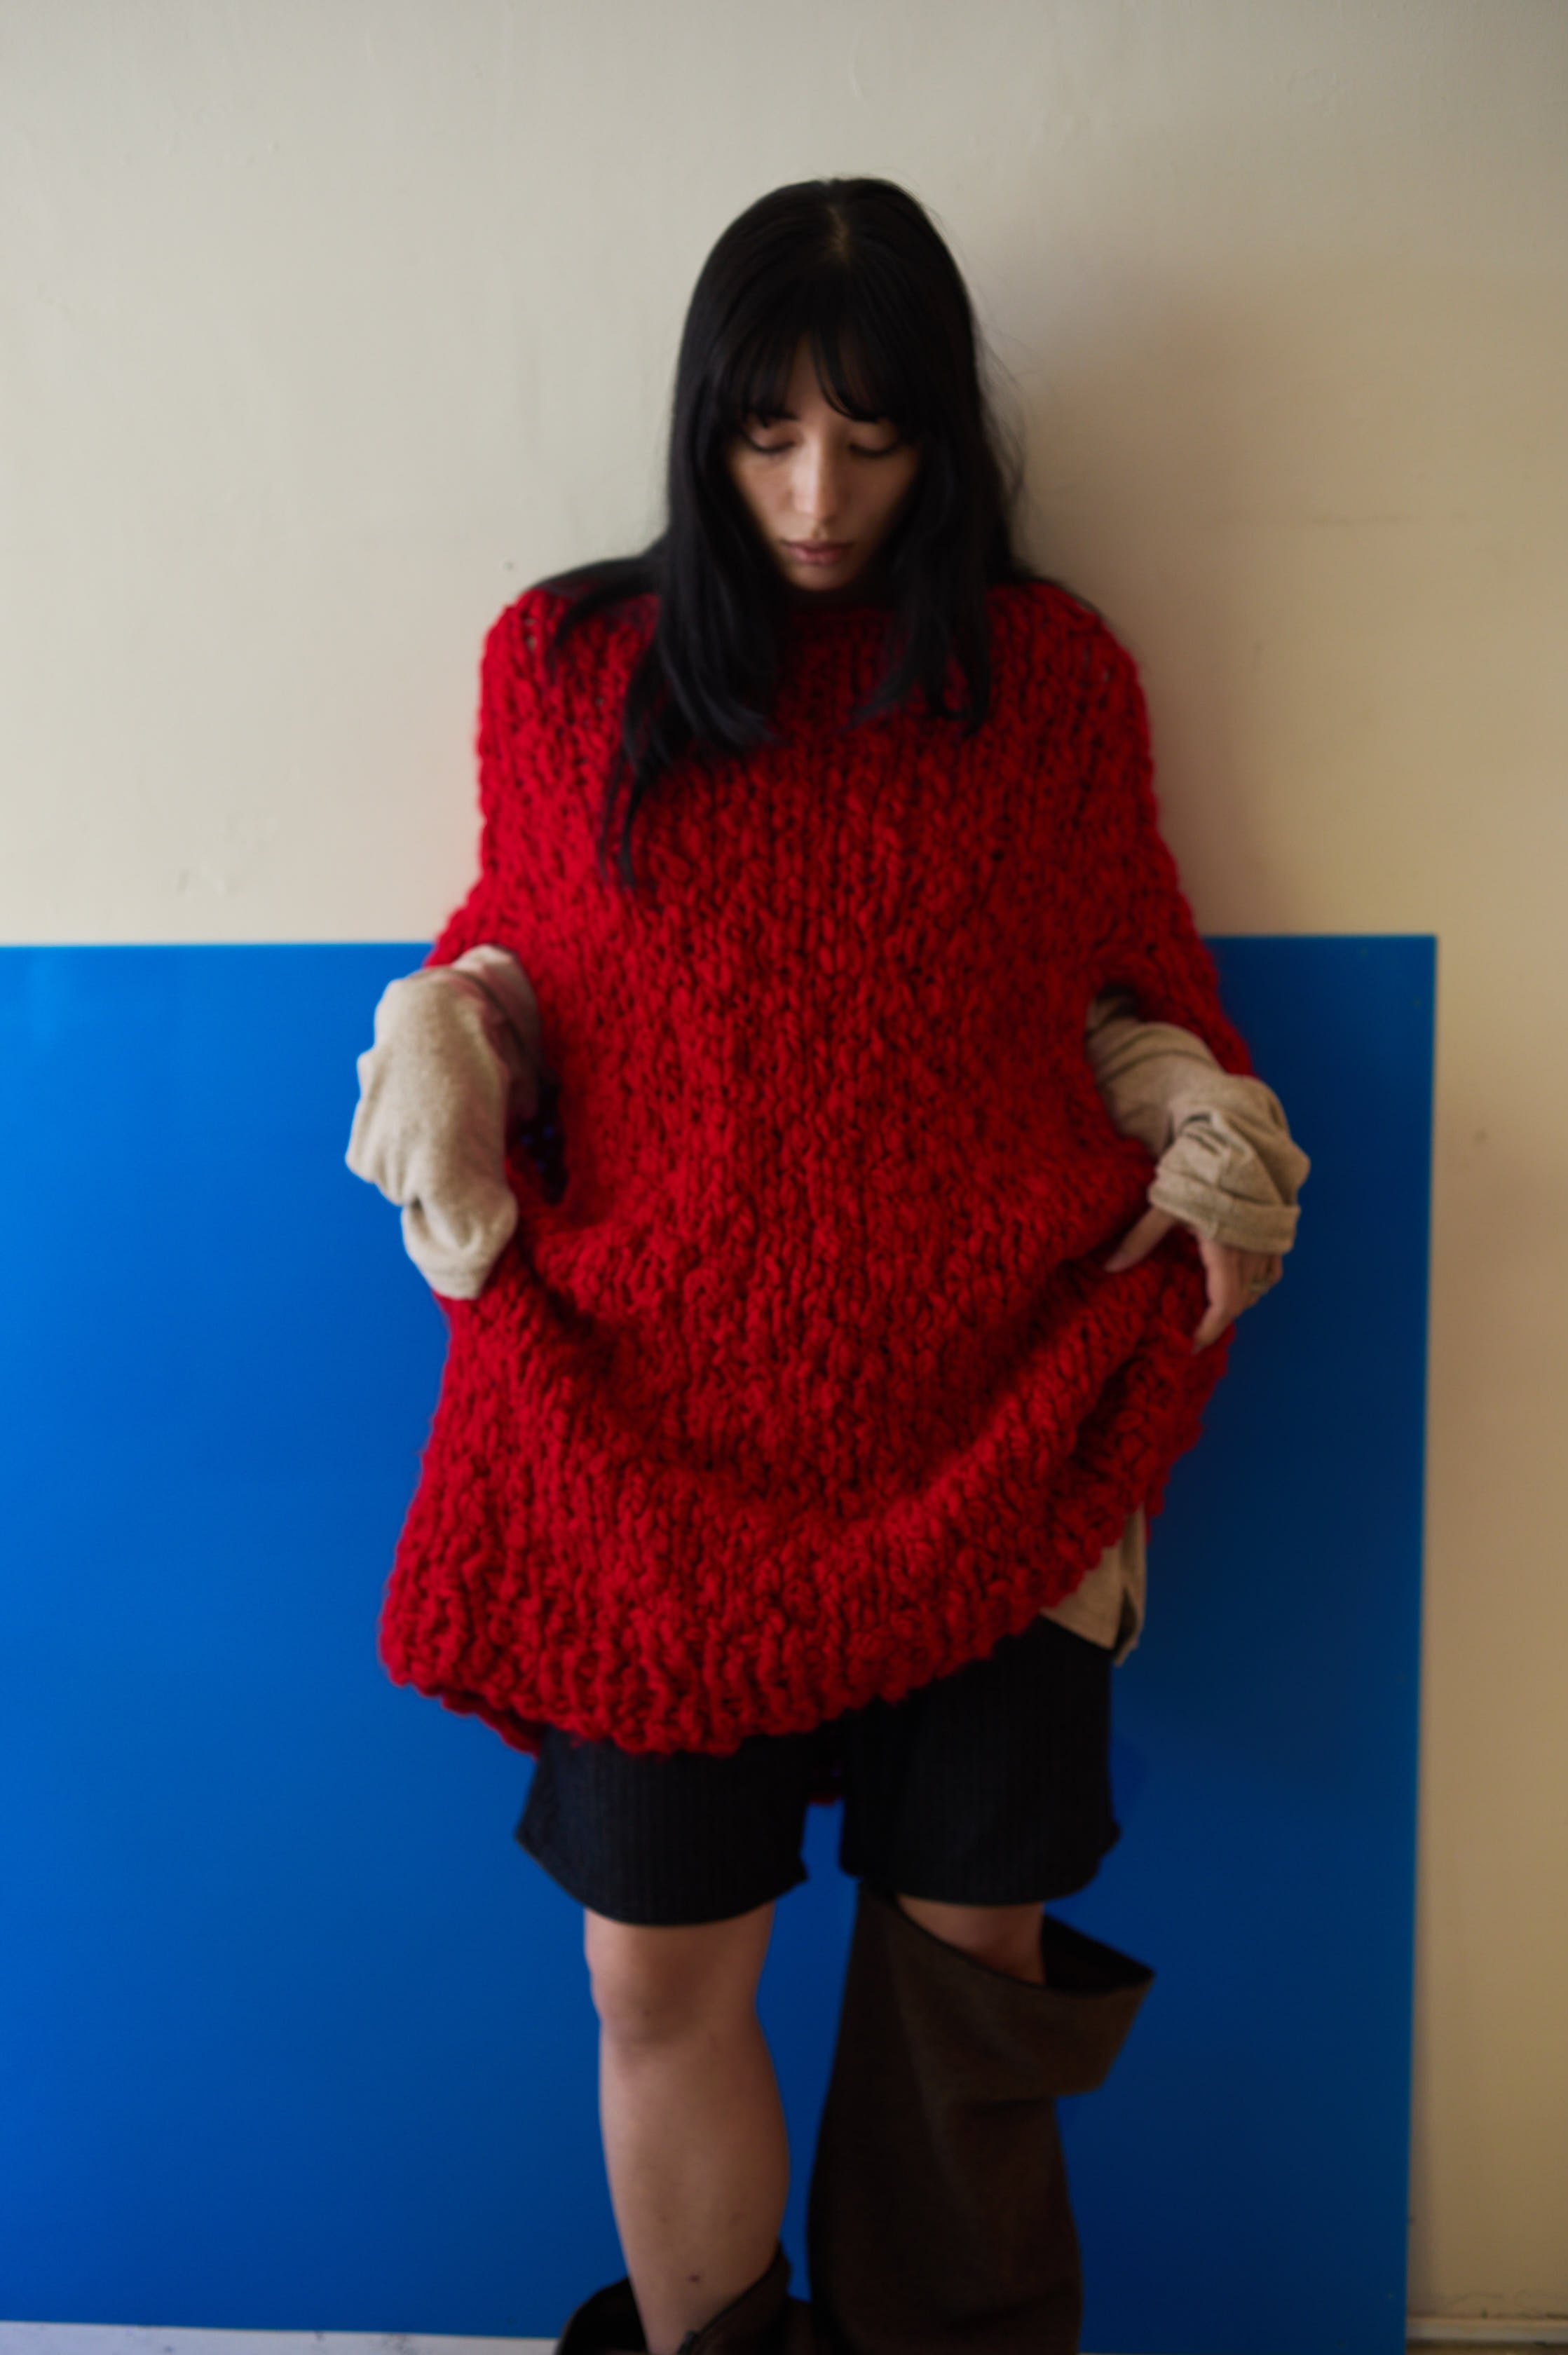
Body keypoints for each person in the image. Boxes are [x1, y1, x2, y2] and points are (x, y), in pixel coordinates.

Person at [346, 178, 1309, 2355]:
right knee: (653, 1968)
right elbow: (536, 968)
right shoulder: (571, 670)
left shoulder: (1045, 683)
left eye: (870, 443)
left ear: (939, 439)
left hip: (999, 1419)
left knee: (975, 1961)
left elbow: (1114, 992)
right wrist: (457, 1025)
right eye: (767, 436)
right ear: (702, 424)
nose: (814, 497)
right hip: (650, 1440)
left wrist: (1196, 1108)